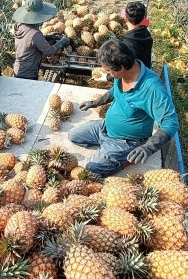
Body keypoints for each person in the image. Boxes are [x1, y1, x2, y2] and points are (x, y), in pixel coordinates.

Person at [69, 40, 178, 177]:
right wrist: (95, 102)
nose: (107, 74)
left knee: (92, 169)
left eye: (108, 71)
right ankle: (106, 146)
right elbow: (115, 91)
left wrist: (148, 148)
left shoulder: (152, 88)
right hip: (105, 128)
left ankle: (125, 158)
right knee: (73, 136)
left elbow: (170, 121)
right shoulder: (122, 73)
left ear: (120, 68)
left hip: (127, 140)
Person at [12, 0, 70, 80]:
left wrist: (47, 37)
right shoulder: (35, 34)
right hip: (28, 73)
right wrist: (62, 42)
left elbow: (28, 41)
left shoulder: (19, 26)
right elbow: (49, 51)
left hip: (18, 68)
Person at [121, 1, 153, 68]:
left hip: (137, 76)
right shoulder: (146, 34)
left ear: (125, 18)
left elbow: (126, 68)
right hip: (145, 70)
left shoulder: (128, 44)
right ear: (143, 19)